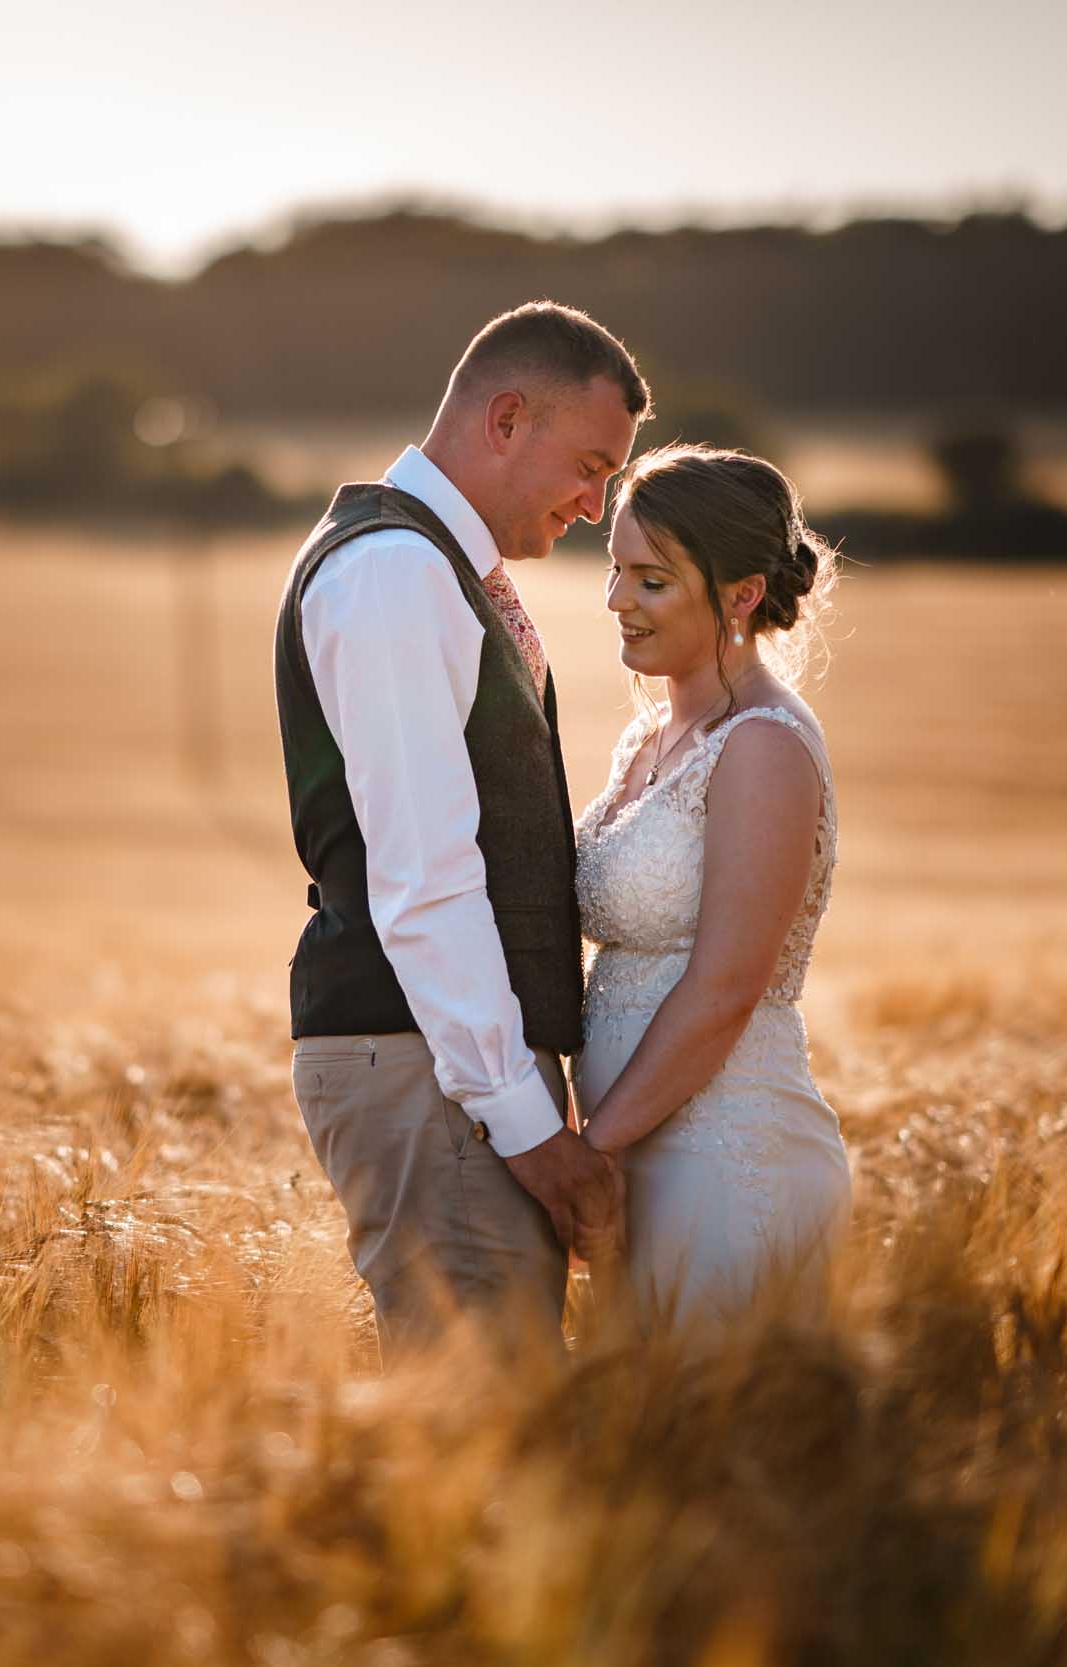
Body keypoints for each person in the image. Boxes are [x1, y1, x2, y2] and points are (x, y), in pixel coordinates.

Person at [273, 301, 649, 1362]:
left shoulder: (440, 567)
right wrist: (528, 1129)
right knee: (484, 1426)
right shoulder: (393, 569)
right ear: (504, 419)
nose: (594, 503)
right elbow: (427, 876)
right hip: (426, 1065)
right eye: (588, 464)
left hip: (450, 1065)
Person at [572, 443, 852, 1330]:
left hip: (724, 1160)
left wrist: (590, 1153)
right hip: (631, 1156)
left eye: (650, 580)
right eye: (615, 570)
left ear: (739, 595)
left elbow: (729, 985)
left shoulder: (764, 746)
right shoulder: (646, 742)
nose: (616, 601)